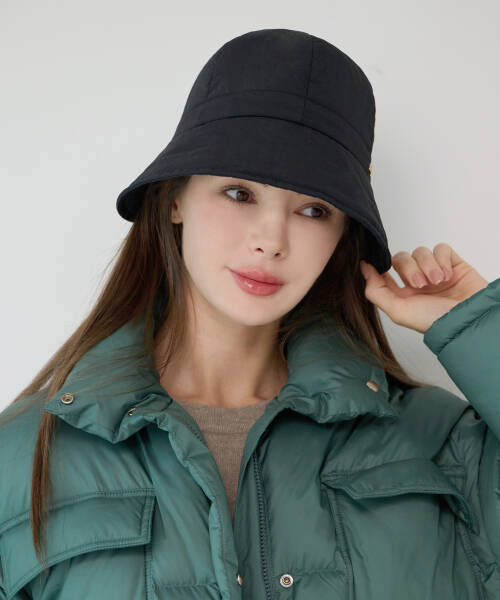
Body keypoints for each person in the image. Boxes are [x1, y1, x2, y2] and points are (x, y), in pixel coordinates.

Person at [1, 28, 499, 600]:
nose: (272, 240)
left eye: (313, 210)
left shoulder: (441, 443)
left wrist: (478, 328)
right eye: (240, 193)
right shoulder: (23, 457)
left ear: (341, 237)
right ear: (175, 199)